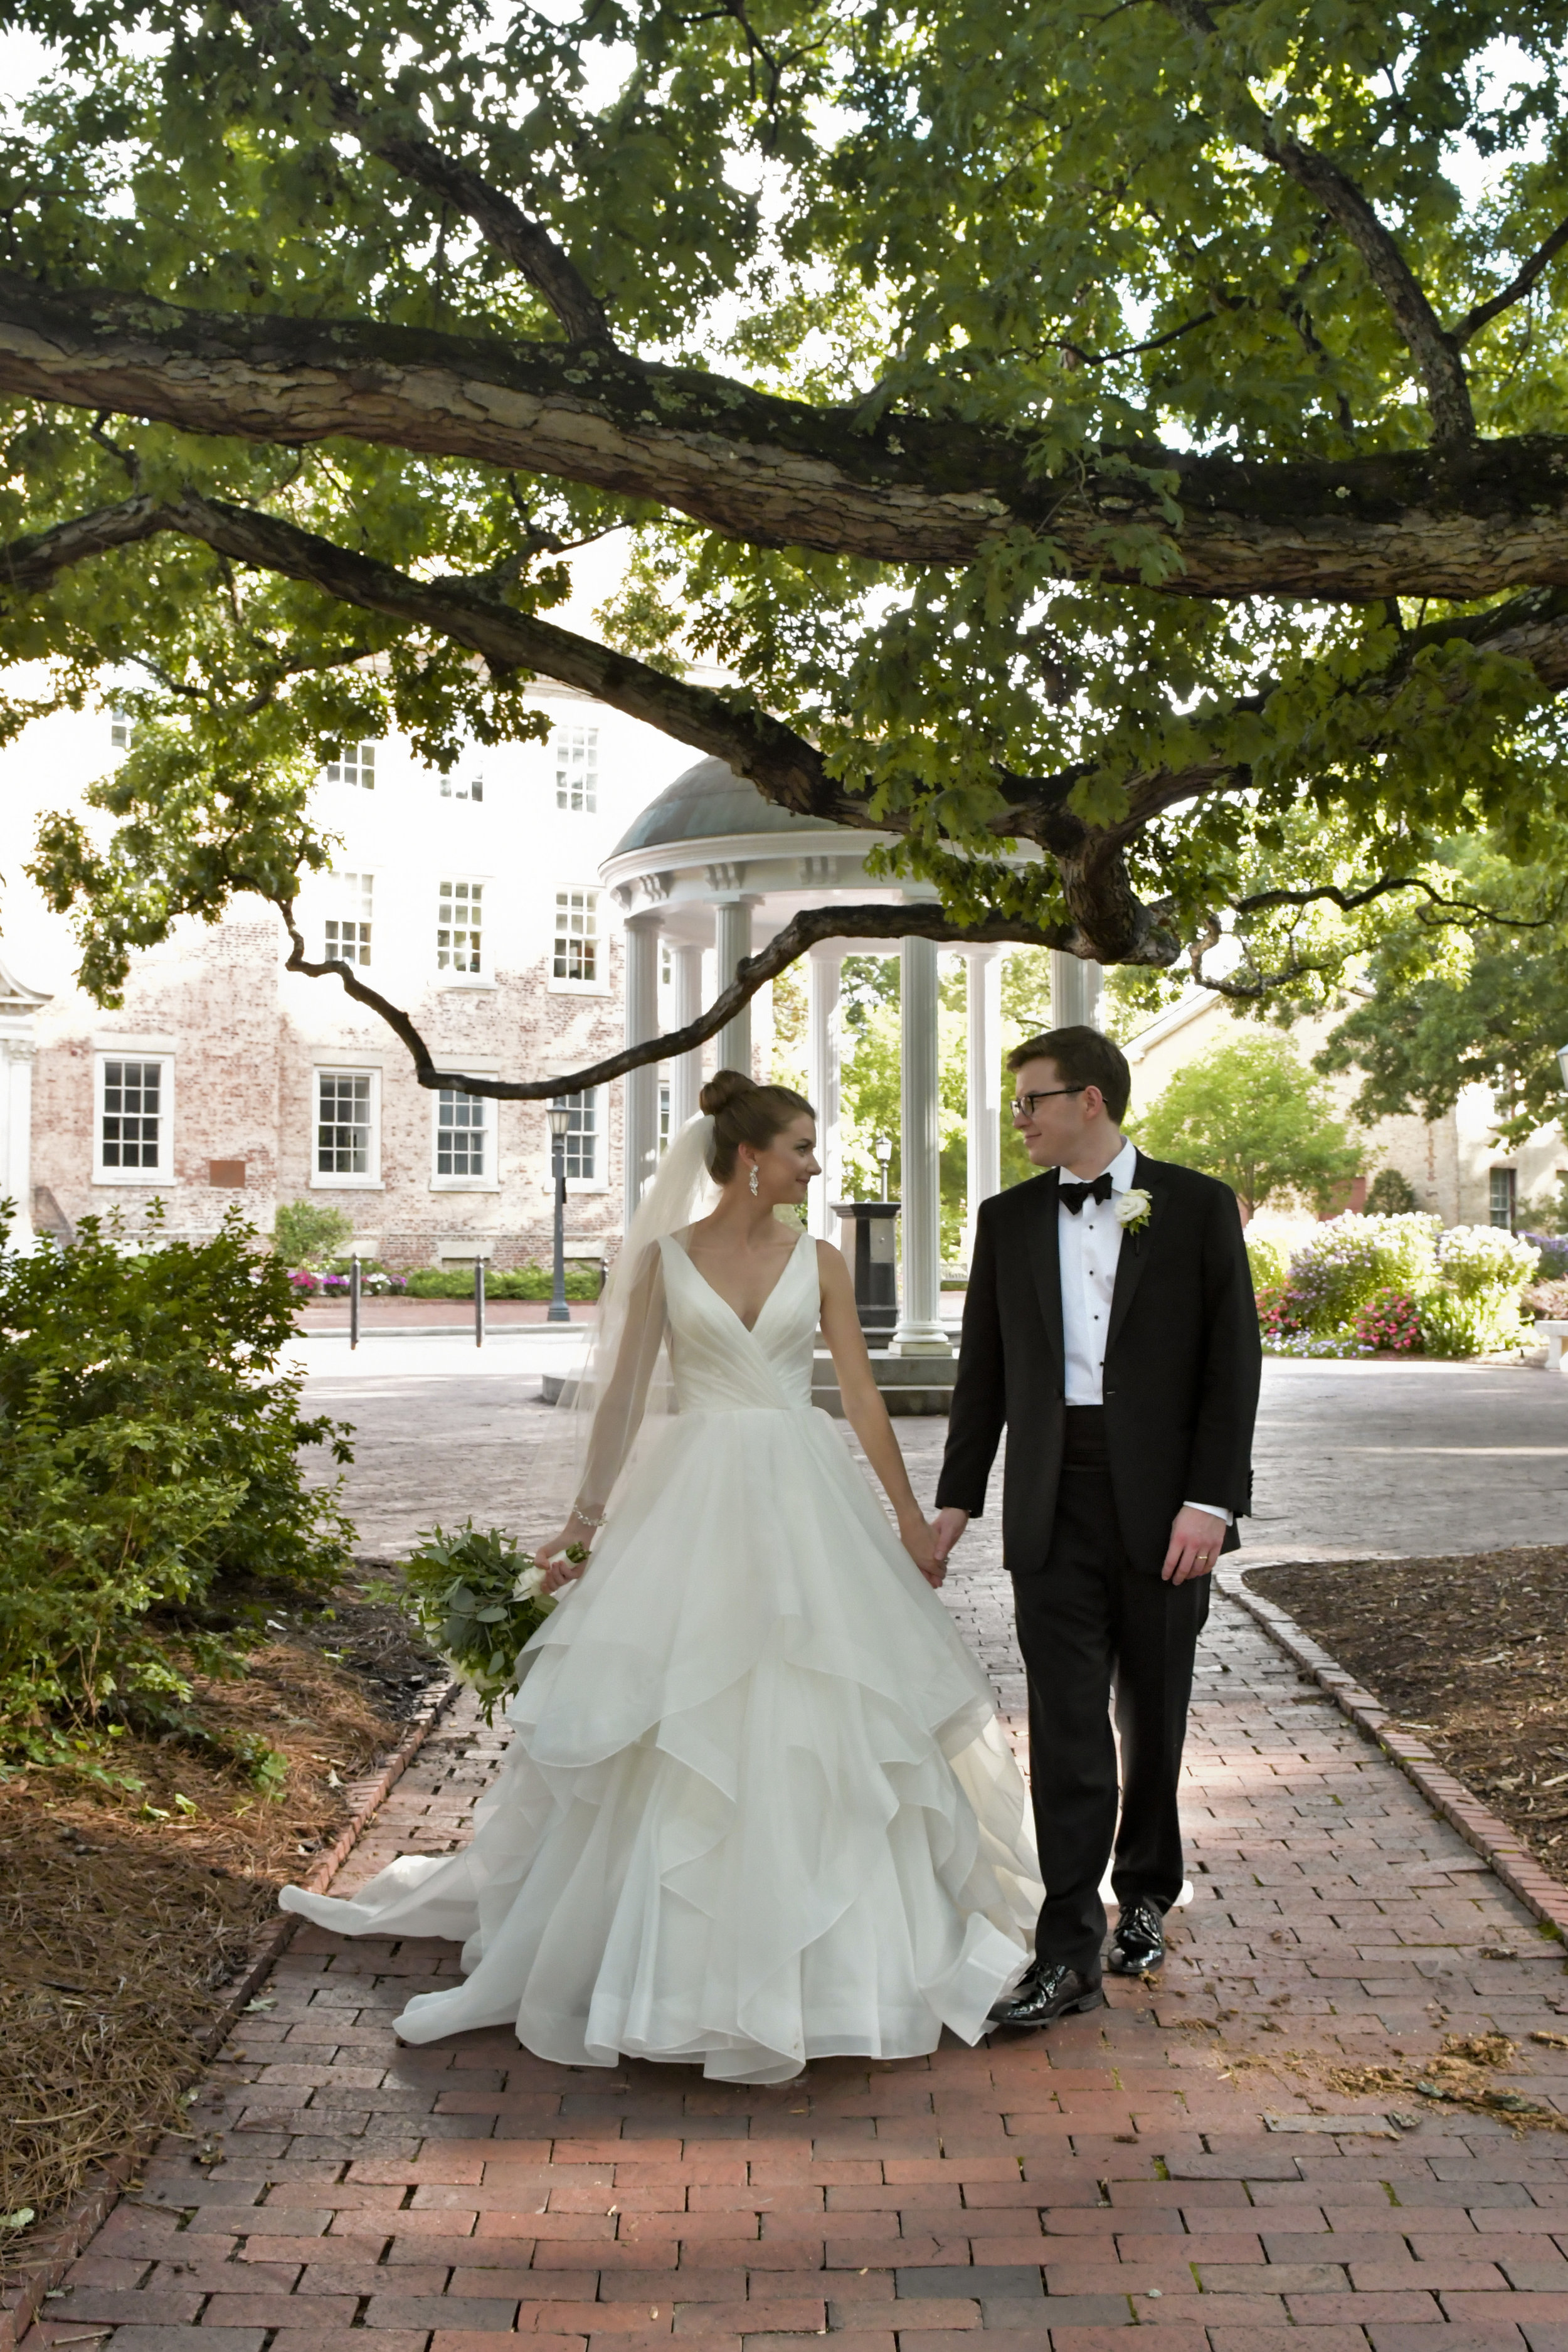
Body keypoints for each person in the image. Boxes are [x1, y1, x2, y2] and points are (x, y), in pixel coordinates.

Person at [281, 1071, 1041, 2084]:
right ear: (749, 1157)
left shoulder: (819, 1260)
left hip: (803, 1499)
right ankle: (663, 1975)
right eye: (804, 1148)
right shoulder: (663, 1260)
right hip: (692, 1500)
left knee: (818, 1702)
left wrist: (909, 1520)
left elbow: (859, 1395)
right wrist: (583, 1524)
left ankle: (831, 1975)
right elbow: (624, 1400)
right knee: (680, 1715)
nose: (816, 1166)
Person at [933, 1025, 1261, 2028]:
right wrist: (956, 1501)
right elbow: (982, 1375)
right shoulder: (1006, 1219)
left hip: (1166, 1505)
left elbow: (1232, 1362)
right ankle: (1066, 1946)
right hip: (1050, 1501)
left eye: (1033, 1099)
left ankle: (1148, 1892)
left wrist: (1211, 1500)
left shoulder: (1198, 1206)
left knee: (1151, 1712)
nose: (1019, 1117)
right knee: (1069, 1727)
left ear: (1091, 1101)